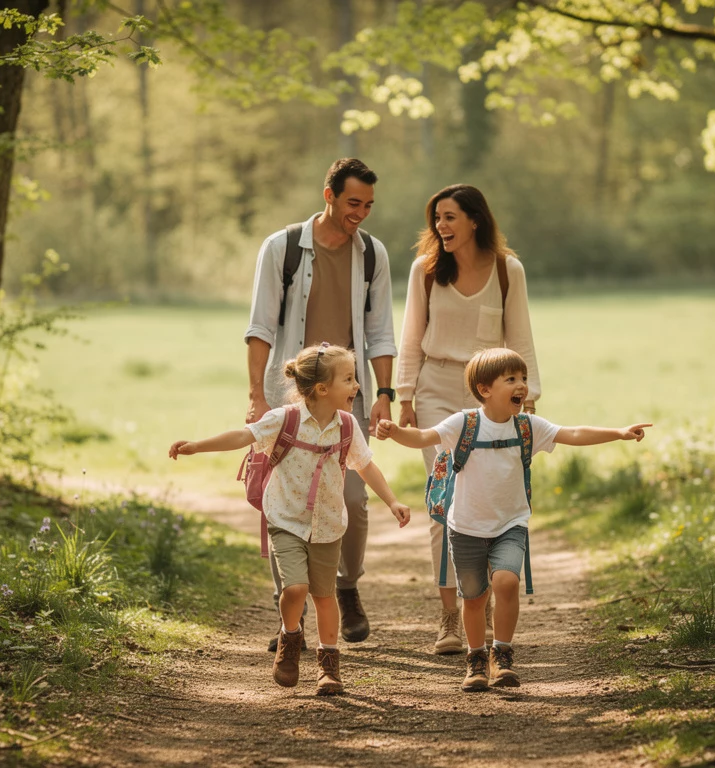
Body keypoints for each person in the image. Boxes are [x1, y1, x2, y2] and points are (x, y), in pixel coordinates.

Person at [376, 347, 651, 692]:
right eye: (511, 379)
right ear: (485, 389)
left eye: (523, 378)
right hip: (465, 527)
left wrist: (619, 432)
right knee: (474, 599)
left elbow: (574, 433)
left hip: (511, 524)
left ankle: (502, 655)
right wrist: (394, 432)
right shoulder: (463, 423)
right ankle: (476, 660)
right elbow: (423, 437)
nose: (521, 385)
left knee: (506, 582)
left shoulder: (527, 427)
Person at [171, 344, 411, 696]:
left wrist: (392, 501)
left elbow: (365, 465)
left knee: (325, 596)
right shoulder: (285, 419)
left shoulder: (346, 425)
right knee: (295, 589)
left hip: (328, 524)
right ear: (322, 389)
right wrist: (196, 445)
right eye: (349, 379)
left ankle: (329, 665)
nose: (357, 386)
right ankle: (291, 635)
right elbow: (243, 435)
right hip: (285, 519)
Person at [244, 158, 398, 650]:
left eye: (369, 205)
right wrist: (255, 396)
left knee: (351, 497)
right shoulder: (283, 248)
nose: (361, 214)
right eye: (354, 203)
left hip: (347, 394)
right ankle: (289, 616)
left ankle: (346, 588)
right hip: (291, 397)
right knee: (282, 500)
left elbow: (380, 332)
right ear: (328, 194)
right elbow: (261, 326)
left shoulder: (372, 255)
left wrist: (385, 395)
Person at [394, 184, 542, 655]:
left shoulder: (506, 270)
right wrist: (403, 398)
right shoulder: (426, 271)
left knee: (492, 499)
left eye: (451, 217)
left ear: (475, 220)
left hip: (492, 392)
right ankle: (450, 616)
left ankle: (484, 596)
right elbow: (410, 338)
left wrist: (527, 393)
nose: (441, 226)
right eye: (437, 217)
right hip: (436, 389)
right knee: (446, 503)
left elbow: (520, 335)